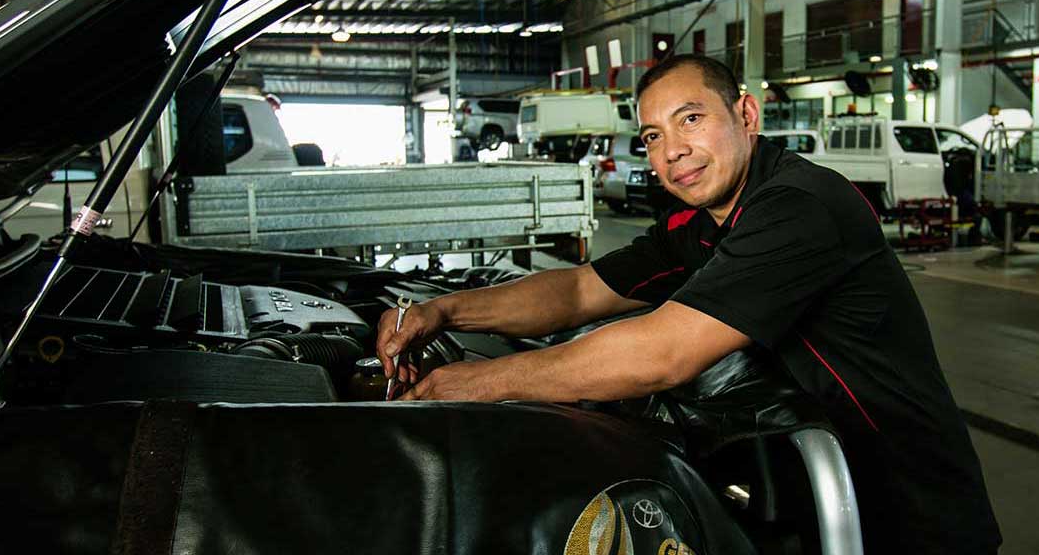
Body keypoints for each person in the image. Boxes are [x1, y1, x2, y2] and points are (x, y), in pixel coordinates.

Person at [378, 54, 1001, 553]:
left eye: (691, 119)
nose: (671, 148)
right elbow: (575, 291)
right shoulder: (699, 223)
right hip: (811, 496)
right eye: (653, 134)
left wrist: (467, 386)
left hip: (909, 511)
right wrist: (445, 312)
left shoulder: (799, 208)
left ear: (746, 114)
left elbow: (663, 352)